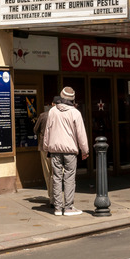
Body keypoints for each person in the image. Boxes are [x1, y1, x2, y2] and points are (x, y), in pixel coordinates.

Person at [43, 86, 89, 216]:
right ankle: (68, 207)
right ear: (73, 99)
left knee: (57, 178)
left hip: (55, 150)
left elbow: (47, 131)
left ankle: (57, 208)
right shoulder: (75, 113)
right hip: (70, 150)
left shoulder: (52, 111)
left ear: (61, 97)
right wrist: (85, 150)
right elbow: (81, 134)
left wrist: (46, 147)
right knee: (69, 178)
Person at [34, 96, 61, 204]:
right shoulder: (62, 116)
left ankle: (52, 197)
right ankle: (56, 196)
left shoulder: (43, 115)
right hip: (58, 148)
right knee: (57, 173)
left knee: (48, 173)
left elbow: (35, 129)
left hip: (44, 148)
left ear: (52, 104)